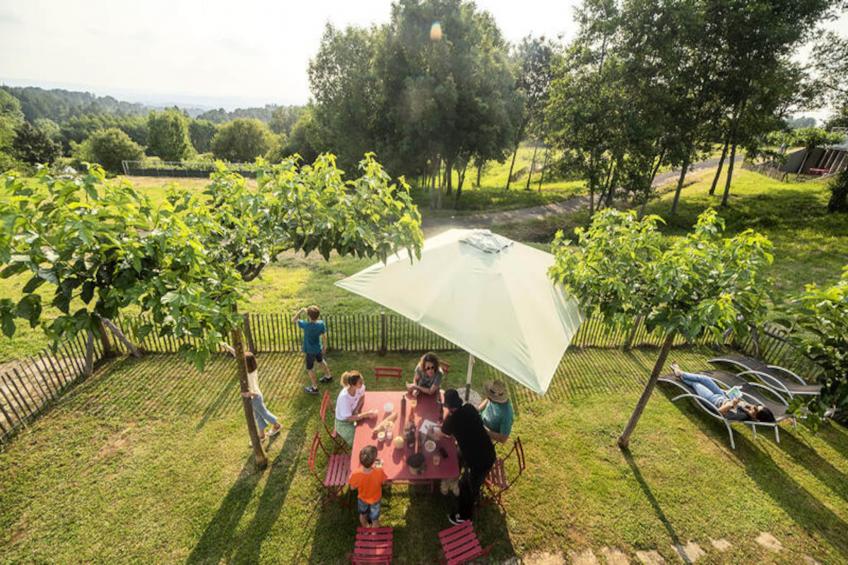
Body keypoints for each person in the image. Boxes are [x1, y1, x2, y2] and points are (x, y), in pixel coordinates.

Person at [432, 388, 496, 525]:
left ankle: (464, 516)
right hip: (488, 451)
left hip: (478, 461)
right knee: (469, 475)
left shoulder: (452, 420)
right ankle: (474, 488)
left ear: (448, 407)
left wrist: (437, 428)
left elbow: (443, 432)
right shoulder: (469, 408)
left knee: (466, 487)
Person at [671, 363, 776, 422]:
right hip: (721, 395)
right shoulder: (747, 408)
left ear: (755, 417)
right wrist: (731, 393)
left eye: (756, 409)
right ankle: (681, 374)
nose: (754, 406)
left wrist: (731, 404)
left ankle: (680, 374)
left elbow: (720, 412)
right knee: (705, 378)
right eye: (757, 405)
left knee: (697, 384)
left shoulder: (741, 415)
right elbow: (731, 399)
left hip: (712, 400)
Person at [240, 352, 282, 441]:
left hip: (255, 397)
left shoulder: (249, 376)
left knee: (264, 413)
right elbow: (238, 355)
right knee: (258, 416)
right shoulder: (252, 369)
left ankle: (277, 426)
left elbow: (254, 391)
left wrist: (248, 394)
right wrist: (226, 346)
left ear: (246, 363)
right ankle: (262, 435)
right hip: (256, 398)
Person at [292, 305, 332, 394]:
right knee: (321, 361)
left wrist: (301, 311)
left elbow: (293, 320)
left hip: (310, 351)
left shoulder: (305, 325)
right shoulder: (321, 324)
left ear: (308, 316)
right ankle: (328, 376)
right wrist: (324, 346)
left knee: (310, 369)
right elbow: (324, 335)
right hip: (318, 348)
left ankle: (314, 388)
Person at [335, 370, 377, 446]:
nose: (363, 383)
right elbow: (349, 418)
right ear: (353, 385)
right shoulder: (344, 398)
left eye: (362, 380)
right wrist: (365, 414)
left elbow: (362, 397)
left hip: (353, 413)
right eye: (360, 382)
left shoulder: (360, 387)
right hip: (343, 422)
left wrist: (357, 409)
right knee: (358, 442)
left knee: (366, 430)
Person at [349, 445, 387, 528]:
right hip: (375, 499)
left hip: (362, 498)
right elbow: (384, 482)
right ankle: (374, 534)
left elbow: (352, 487)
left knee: (363, 515)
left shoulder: (356, 474)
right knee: (375, 519)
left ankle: (366, 527)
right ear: (374, 462)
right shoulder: (379, 471)